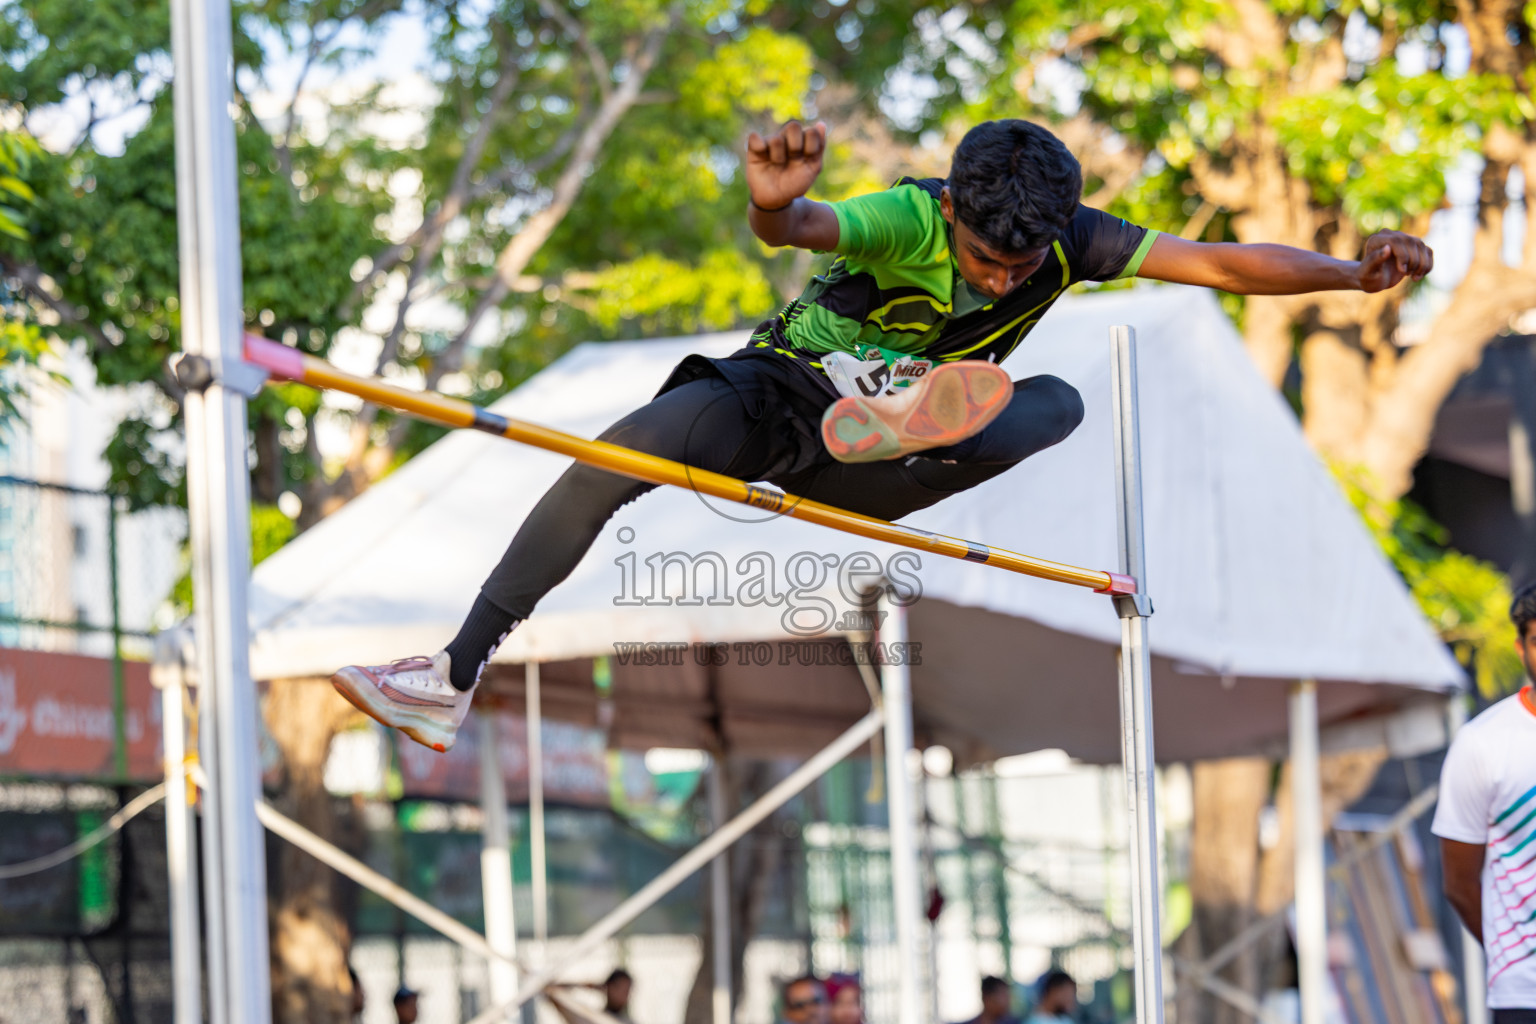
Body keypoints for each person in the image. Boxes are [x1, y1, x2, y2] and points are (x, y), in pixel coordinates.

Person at [332, 118, 1434, 754]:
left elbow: (1223, 264)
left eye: (1018, 266)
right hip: (780, 399)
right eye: (983, 257)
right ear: (951, 207)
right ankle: (449, 672)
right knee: (608, 461)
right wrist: (771, 205)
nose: (998, 276)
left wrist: (1348, 270)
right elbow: (806, 224)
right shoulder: (909, 216)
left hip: (895, 464)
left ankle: (913, 411)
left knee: (1060, 401)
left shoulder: (1073, 242)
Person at [1433, 582, 1536, 1024]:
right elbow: (1459, 883)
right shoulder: (1484, 744)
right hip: (1526, 993)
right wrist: (1510, 950)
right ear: (1521, 649)